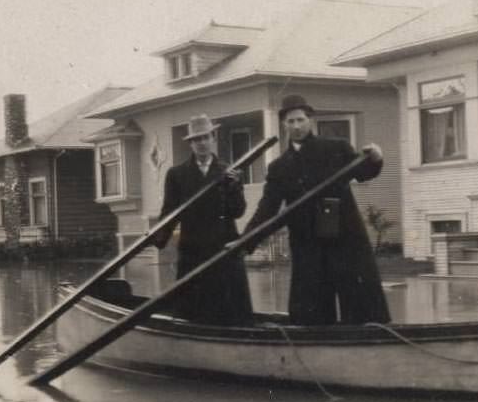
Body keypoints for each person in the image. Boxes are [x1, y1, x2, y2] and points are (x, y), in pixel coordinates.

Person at [241, 94, 390, 325]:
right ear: (283, 124)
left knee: (361, 304)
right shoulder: (279, 167)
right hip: (308, 244)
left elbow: (363, 173)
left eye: (300, 120)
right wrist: (245, 241)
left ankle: (367, 343)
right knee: (311, 309)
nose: (296, 126)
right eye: (290, 122)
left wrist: (376, 158)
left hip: (345, 238)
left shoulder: (336, 148)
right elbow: (267, 208)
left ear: (310, 119)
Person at [152, 114, 253, 326]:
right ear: (190, 143)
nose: (202, 143)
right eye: (197, 139)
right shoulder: (177, 174)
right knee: (191, 310)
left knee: (230, 312)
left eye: (206, 137)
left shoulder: (229, 171)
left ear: (213, 138)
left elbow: (238, 211)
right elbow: (169, 211)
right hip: (193, 250)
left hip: (223, 248)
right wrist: (159, 238)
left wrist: (234, 187)